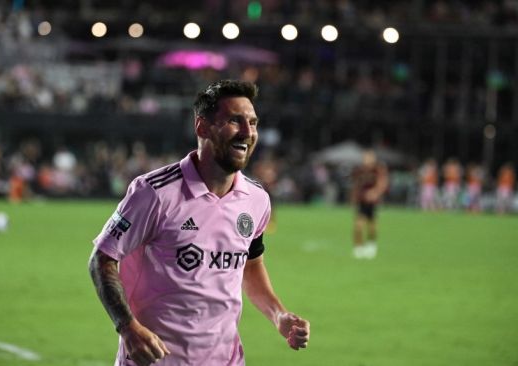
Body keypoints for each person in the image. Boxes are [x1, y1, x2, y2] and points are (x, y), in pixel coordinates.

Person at [88, 80, 310, 366]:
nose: (247, 132)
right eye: (234, 120)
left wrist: (278, 314)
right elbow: (102, 259)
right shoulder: (153, 192)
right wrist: (127, 327)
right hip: (156, 360)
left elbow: (250, 265)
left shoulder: (256, 200)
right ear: (202, 127)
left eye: (253, 123)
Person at [351, 149, 388, 259]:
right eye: (365, 158)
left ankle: (371, 246)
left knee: (372, 226)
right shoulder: (359, 170)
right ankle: (358, 248)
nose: (366, 160)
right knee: (358, 225)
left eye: (369, 157)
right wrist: (354, 197)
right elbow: (356, 185)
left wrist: (375, 192)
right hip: (362, 201)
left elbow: (383, 183)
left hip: (372, 202)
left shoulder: (378, 170)